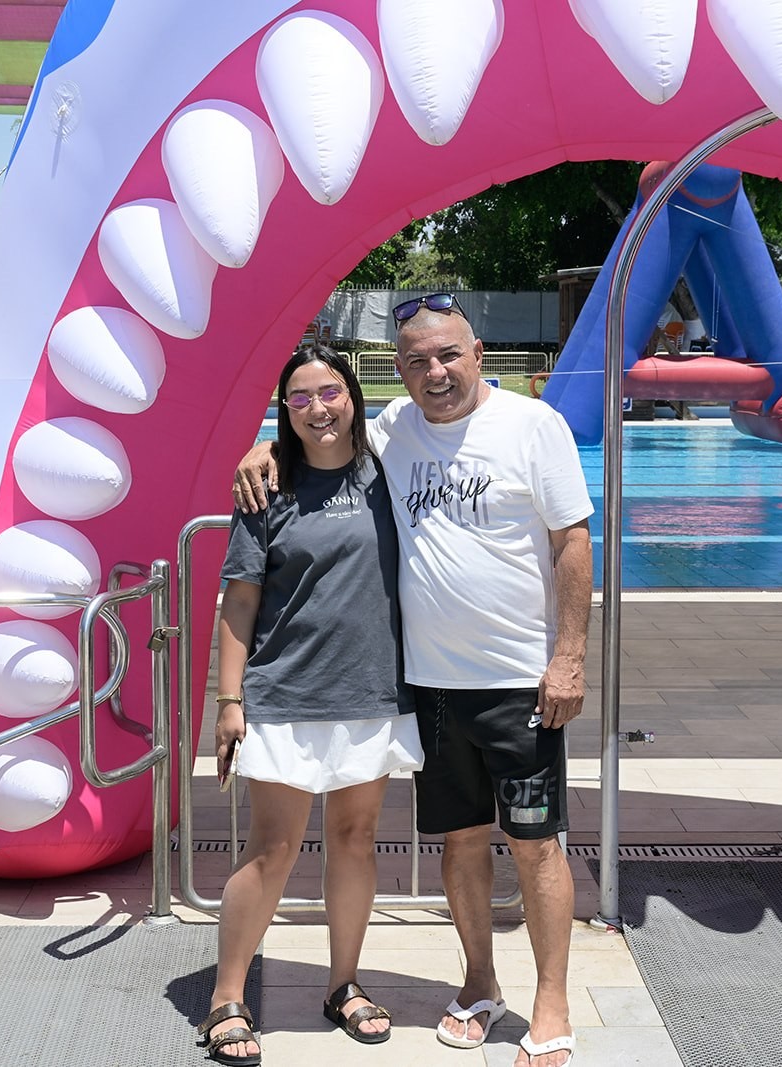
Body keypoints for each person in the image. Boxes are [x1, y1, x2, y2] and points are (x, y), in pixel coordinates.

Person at [234, 296, 593, 1067]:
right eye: (419, 360)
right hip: (430, 690)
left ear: (478, 352)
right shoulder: (392, 429)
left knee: (535, 844)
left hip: (519, 686)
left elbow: (572, 539)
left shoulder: (534, 426)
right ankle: (479, 983)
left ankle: (552, 999)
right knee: (460, 842)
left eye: (449, 354)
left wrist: (569, 656)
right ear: (397, 370)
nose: (437, 371)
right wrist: (264, 445)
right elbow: (319, 425)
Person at [198, 344, 423, 1066]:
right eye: (299, 398)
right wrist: (228, 699)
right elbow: (240, 601)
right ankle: (226, 996)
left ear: (353, 396)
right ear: (284, 411)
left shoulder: (388, 471)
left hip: (370, 692)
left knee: (356, 839)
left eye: (330, 393)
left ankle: (343, 985)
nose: (318, 408)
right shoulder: (267, 488)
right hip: (285, 694)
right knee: (273, 848)